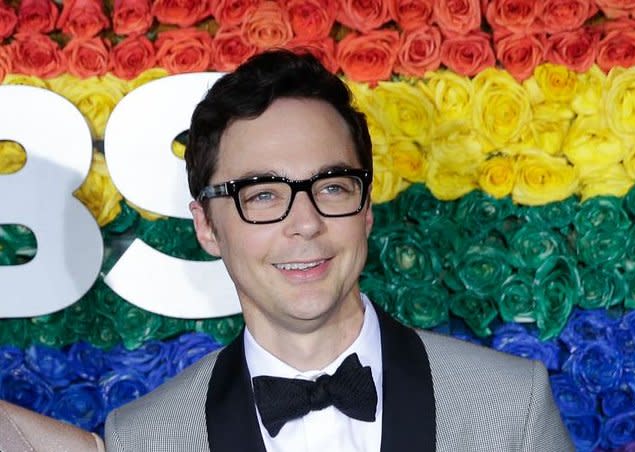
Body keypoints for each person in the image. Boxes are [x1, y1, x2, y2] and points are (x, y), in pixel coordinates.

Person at [104, 50, 574, 452]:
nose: (306, 223)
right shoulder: (145, 438)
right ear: (206, 225)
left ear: (365, 207)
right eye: (263, 194)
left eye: (331, 188)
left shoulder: (513, 409)